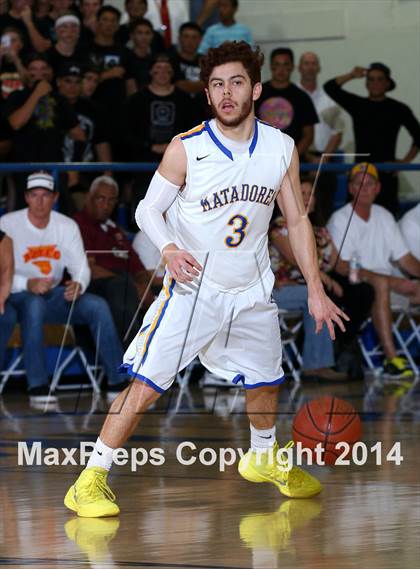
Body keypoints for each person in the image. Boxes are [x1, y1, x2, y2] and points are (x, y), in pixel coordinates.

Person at [64, 41, 348, 518]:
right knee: (146, 386)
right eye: (217, 85)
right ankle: (89, 479)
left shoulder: (281, 147)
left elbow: (296, 221)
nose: (226, 93)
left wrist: (315, 289)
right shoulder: (187, 147)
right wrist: (170, 248)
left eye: (236, 82)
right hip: (196, 289)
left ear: (255, 89)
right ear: (208, 94)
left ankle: (262, 455)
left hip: (253, 287)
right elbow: (146, 209)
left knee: (265, 379)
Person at [0, 171, 130, 404]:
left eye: (45, 196)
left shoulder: (66, 225)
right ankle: (37, 385)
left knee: (97, 306)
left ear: (56, 197)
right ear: (26, 197)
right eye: (34, 195)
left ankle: (117, 381)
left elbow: (81, 266)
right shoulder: (7, 224)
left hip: (53, 295)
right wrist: (27, 283)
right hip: (15, 296)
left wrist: (79, 284)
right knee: (33, 303)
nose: (40, 201)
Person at [271, 176, 374, 380]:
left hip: (312, 286)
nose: (307, 198)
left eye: (311, 195)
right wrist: (324, 279)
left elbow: (340, 264)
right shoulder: (279, 228)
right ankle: (316, 364)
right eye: (302, 194)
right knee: (316, 295)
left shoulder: (321, 232)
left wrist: (362, 273)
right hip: (281, 288)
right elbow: (296, 260)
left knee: (363, 290)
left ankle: (341, 340)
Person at [327, 162, 420, 379]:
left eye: (370, 184)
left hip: (390, 286)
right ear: (350, 188)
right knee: (380, 285)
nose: (365, 188)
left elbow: (406, 260)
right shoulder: (340, 219)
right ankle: (391, 359)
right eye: (359, 183)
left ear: (378, 188)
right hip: (356, 288)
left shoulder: (384, 216)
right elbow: (341, 266)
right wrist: (391, 282)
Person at [324, 63, 420, 214]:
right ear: (366, 83)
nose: (375, 83)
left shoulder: (399, 109)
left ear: (387, 83)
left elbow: (418, 136)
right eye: (371, 79)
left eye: (380, 79)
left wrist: (403, 162)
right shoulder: (358, 105)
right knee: (354, 219)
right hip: (360, 173)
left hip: (386, 175)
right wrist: (351, 75)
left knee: (388, 219)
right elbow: (329, 87)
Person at [74, 175, 154, 342]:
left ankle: (168, 362)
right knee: (122, 289)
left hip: (126, 288)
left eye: (111, 201)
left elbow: (138, 268)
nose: (105, 205)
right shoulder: (78, 226)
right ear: (89, 197)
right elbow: (90, 270)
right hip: (99, 288)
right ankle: (131, 359)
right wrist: (132, 286)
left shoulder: (115, 230)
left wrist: (144, 287)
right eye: (101, 199)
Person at [298, 51, 345, 219]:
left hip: (324, 160)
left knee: (324, 209)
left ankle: (322, 242)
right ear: (299, 67)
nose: (310, 67)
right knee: (293, 210)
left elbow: (337, 133)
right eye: (306, 63)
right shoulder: (292, 96)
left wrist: (322, 160)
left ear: (319, 68)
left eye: (313, 63)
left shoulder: (329, 99)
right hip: (297, 158)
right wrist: (308, 157)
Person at [255, 47, 318, 157]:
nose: (281, 69)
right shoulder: (257, 93)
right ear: (270, 66)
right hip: (260, 157)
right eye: (277, 64)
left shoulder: (302, 97)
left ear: (292, 67)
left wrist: (291, 157)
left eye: (285, 65)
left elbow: (308, 136)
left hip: (293, 160)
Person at [124, 17, 156, 96]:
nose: (144, 37)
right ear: (132, 36)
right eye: (139, 33)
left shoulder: (156, 61)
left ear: (152, 36)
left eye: (147, 33)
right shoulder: (125, 59)